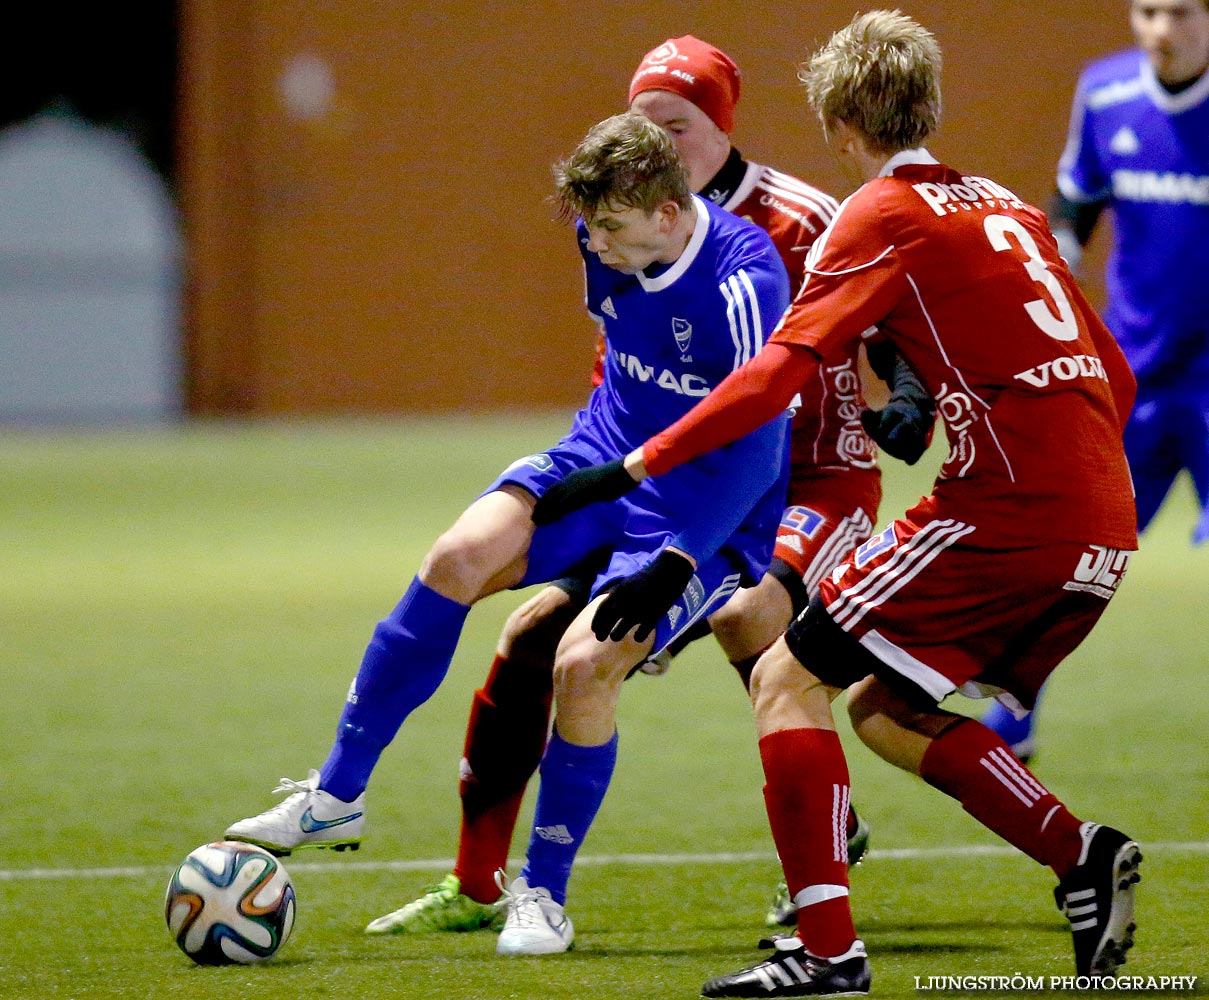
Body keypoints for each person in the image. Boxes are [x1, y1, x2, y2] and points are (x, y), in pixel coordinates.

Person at [534, 11, 1143, 993]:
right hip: (1098, 510)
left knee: (784, 675)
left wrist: (640, 465)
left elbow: (777, 374)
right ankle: (1080, 854)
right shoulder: (1006, 205)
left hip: (1005, 505)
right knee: (883, 705)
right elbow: (1112, 368)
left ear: (839, 124)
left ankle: (826, 953)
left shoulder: (879, 212)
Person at [361, 35, 933, 940]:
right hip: (674, 481)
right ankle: (476, 887)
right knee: (526, 635)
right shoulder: (626, 225)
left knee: (751, 621)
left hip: (812, 478)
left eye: (677, 124)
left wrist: (904, 390)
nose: (657, 141)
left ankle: (824, 840)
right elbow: (626, 377)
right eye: (644, 125)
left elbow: (893, 309)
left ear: (721, 127)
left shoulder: (799, 217)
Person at [225, 110, 795, 936]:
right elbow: (623, 376)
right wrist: (604, 463)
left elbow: (757, 447)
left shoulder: (744, 281)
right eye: (587, 226)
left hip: (706, 506)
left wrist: (679, 556)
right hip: (600, 461)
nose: (595, 245)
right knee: (457, 556)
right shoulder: (600, 242)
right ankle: (334, 797)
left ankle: (543, 896)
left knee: (581, 666)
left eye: (610, 228)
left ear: (668, 215)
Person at [983, 0, 1209, 762]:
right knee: (1071, 553)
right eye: (1147, 10)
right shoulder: (1105, 92)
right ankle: (1014, 714)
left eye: (1180, 12)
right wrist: (1058, 254)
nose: (1161, 29)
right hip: (1136, 376)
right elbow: (1074, 200)